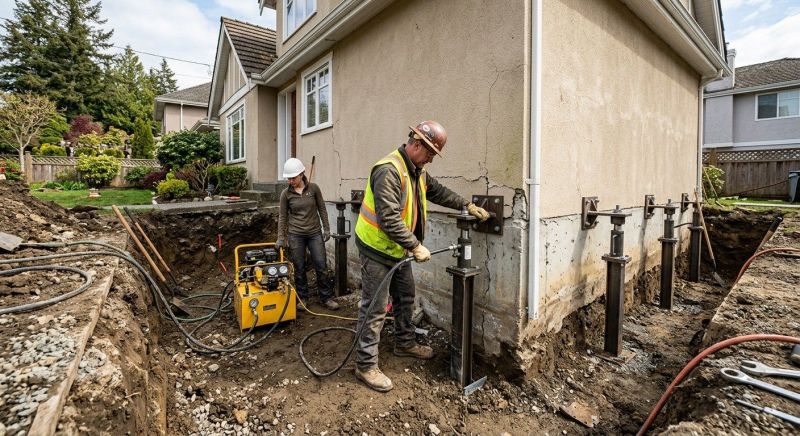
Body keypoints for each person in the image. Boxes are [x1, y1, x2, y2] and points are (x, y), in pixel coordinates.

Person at [352, 120, 490, 392]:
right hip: (377, 248)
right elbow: (389, 218)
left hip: (397, 248)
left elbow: (438, 191)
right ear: (416, 144)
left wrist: (467, 204)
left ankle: (404, 343)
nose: (431, 160)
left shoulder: (417, 171)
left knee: (405, 296)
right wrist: (415, 245)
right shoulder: (389, 170)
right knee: (374, 307)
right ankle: (365, 365)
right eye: (429, 153)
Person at [275, 158, 339, 311]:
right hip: (295, 234)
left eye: (293, 178)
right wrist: (280, 238)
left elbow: (322, 209)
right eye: (288, 178)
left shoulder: (314, 189)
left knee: (321, 265)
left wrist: (327, 228)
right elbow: (283, 217)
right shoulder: (286, 194)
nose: (291, 181)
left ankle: (326, 297)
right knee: (299, 266)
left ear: (302, 174)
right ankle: (303, 297)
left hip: (314, 233)